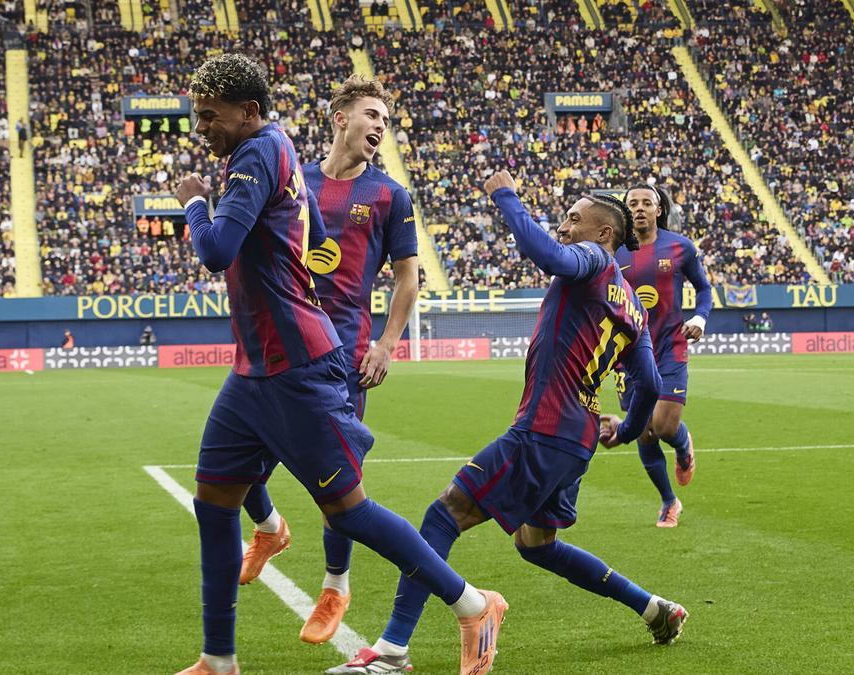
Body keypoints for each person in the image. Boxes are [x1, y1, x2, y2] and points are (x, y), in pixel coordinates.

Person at [171, 54, 506, 675]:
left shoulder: (261, 155)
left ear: (247, 111)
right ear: (340, 119)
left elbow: (216, 250)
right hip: (257, 367)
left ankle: (471, 603)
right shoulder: (284, 155)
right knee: (214, 501)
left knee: (348, 511)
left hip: (299, 367)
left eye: (210, 115)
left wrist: (194, 202)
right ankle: (218, 659)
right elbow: (319, 241)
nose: (202, 127)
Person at [327, 171, 687, 674]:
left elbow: (551, 256)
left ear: (605, 232)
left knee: (444, 514)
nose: (564, 226)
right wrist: (626, 430)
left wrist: (505, 195)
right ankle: (654, 609)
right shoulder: (632, 304)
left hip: (545, 429)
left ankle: (392, 650)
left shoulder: (594, 259)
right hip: (577, 438)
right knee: (537, 545)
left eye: (574, 218)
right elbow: (648, 382)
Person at [235, 75, 421, 645]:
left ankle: (335, 586)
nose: (380, 126)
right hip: (280, 343)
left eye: (385, 120)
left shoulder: (389, 195)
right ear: (340, 118)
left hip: (343, 358)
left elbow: (408, 277)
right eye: (372, 114)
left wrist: (387, 344)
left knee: (337, 487)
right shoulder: (296, 179)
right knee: (236, 463)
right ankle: (269, 528)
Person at [614, 185, 712, 528]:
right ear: (625, 211)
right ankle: (669, 501)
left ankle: (683, 446)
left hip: (670, 345)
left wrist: (699, 318)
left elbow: (704, 288)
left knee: (665, 426)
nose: (640, 208)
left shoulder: (680, 247)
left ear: (658, 210)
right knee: (643, 431)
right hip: (628, 351)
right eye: (633, 203)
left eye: (647, 203)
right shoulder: (612, 251)